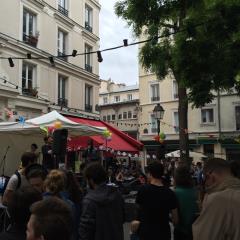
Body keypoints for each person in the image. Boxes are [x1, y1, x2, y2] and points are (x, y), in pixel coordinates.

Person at [192, 158, 240, 240]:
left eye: (204, 179)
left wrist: (205, 209)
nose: (205, 184)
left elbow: (203, 236)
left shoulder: (218, 199)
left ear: (210, 176)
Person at [131, 161, 178, 240]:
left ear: (150, 174)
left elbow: (138, 211)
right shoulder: (170, 193)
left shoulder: (143, 190)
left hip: (146, 233)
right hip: (164, 233)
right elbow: (175, 220)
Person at [79, 162, 124, 240]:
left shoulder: (89, 201)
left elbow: (85, 231)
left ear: (91, 180)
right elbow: (123, 217)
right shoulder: (117, 194)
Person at [174, 166, 198, 240]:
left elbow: (175, 220)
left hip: (181, 230)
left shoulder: (175, 192)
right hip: (195, 228)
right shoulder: (196, 191)